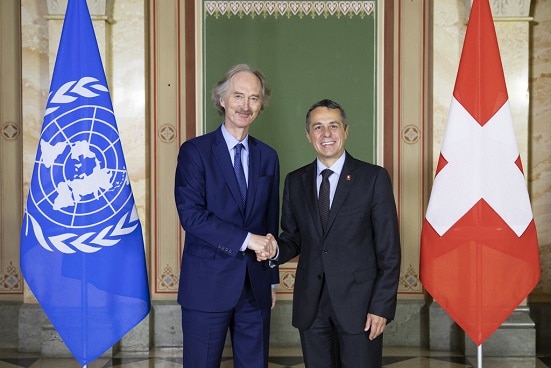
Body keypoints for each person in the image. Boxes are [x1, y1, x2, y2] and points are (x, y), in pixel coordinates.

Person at [266, 99, 401, 367]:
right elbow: (293, 238)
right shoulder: (295, 181)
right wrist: (275, 249)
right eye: (318, 127)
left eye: (333, 126)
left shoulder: (373, 178)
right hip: (311, 306)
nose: (326, 134)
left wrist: (381, 307)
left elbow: (389, 250)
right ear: (308, 135)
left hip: (360, 307)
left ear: (346, 131)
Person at [174, 64, 279, 368]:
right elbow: (191, 217)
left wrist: (271, 279)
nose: (245, 106)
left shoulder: (268, 156)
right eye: (238, 96)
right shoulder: (195, 152)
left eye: (254, 98)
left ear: (261, 106)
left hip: (255, 288)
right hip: (207, 286)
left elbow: (270, 221)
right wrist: (247, 240)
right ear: (222, 100)